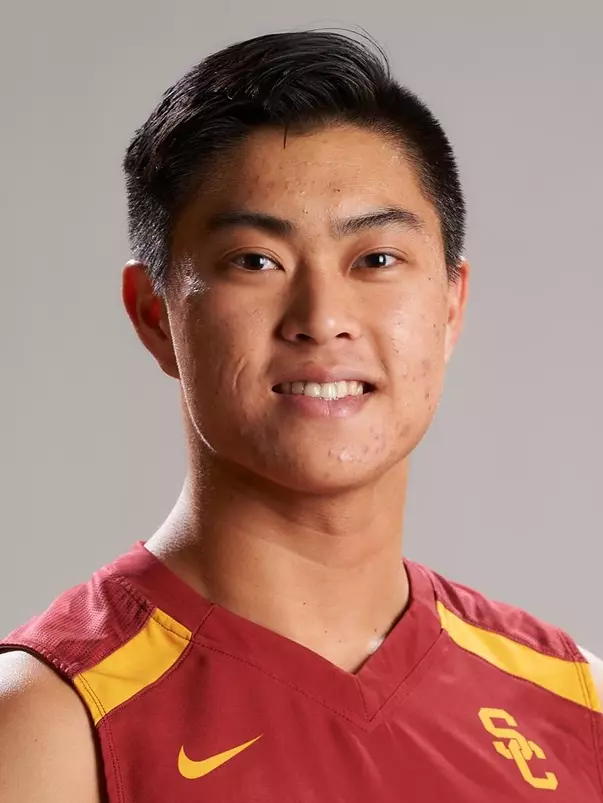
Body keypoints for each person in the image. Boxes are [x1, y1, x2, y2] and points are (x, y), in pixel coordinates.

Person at [0, 29, 601, 802]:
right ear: (154, 315)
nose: (322, 318)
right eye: (256, 261)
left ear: (451, 305)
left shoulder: (573, 706)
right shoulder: (51, 726)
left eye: (375, 260)